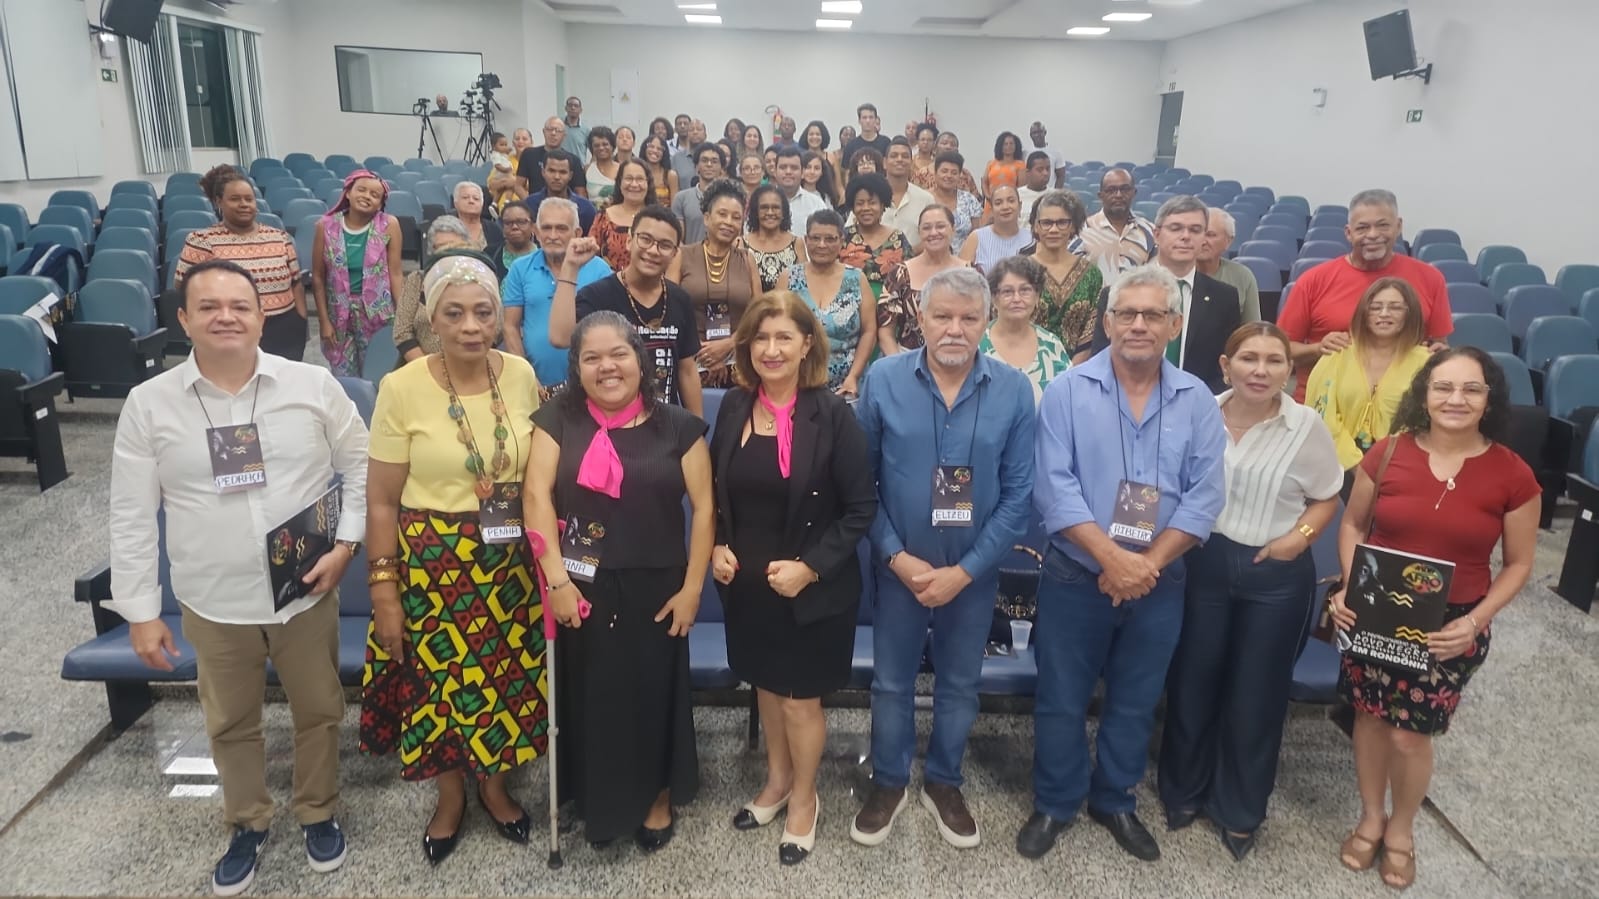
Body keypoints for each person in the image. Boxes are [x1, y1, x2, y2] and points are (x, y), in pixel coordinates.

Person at [111, 259, 367, 894]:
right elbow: (132, 512)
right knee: (229, 721)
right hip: (214, 597)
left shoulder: (312, 385)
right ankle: (248, 821)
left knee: (318, 708)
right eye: (209, 307)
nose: (225, 316)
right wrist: (141, 610)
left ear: (263, 315)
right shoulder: (150, 404)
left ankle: (317, 810)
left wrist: (346, 545)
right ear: (183, 319)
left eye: (240, 306)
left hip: (305, 589)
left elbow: (363, 467)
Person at [1021, 263, 1227, 863]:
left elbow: (1205, 496)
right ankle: (1056, 801)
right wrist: (1113, 559)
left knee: (1136, 698)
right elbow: (1053, 488)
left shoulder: (1198, 402)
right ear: (1107, 321)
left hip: (1160, 581)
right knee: (1061, 696)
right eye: (1127, 314)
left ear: (1174, 323)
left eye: (1152, 315)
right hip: (1075, 575)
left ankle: (1114, 800)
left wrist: (1145, 566)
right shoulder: (1066, 391)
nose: (1139, 325)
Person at [1327, 347, 1538, 891]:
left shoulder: (1513, 475)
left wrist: (1476, 623)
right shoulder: (1389, 453)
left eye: (1471, 389)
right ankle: (1371, 816)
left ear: (1489, 399)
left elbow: (1518, 565)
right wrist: (1350, 584)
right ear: (1424, 392)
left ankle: (1401, 829)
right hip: (1375, 609)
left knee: (1409, 736)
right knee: (1371, 719)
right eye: (1444, 387)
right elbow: (1352, 527)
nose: (1455, 399)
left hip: (1453, 625)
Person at [360, 255, 546, 866]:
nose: (471, 325)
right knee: (438, 688)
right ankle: (449, 797)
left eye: (483, 312)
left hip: (508, 566)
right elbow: (382, 500)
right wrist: (384, 592)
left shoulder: (519, 374)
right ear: (431, 319)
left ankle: (494, 787)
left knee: (503, 684)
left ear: (498, 316)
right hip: (432, 569)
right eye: (454, 313)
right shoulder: (401, 387)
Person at [852, 267, 1036, 851]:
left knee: (960, 684)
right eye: (942, 316)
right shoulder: (882, 380)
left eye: (968, 318)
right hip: (899, 567)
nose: (954, 329)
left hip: (972, 573)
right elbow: (862, 485)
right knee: (890, 684)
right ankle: (888, 781)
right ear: (921, 320)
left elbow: (1019, 496)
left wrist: (967, 570)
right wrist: (896, 558)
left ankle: (944, 782)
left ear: (986, 322)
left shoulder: (1013, 390)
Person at [523, 310, 713, 852]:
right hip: (580, 586)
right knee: (594, 696)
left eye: (618, 354)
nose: (607, 367)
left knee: (652, 695)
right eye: (591, 357)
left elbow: (703, 510)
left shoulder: (678, 424)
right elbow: (535, 496)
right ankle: (598, 797)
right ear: (576, 367)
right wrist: (556, 580)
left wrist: (693, 587)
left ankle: (656, 795)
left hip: (658, 588)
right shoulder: (558, 416)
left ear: (641, 359)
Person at [1157, 322, 1343, 862]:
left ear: (1290, 369)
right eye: (1249, 359)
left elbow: (1327, 499)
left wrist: (1297, 540)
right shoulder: (1198, 413)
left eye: (1274, 361)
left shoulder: (1304, 426)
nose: (1260, 371)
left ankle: (1240, 808)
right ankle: (1182, 791)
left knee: (1256, 693)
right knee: (1193, 680)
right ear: (1225, 364)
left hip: (1274, 573)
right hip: (1203, 561)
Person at [710, 292, 876, 866]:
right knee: (765, 688)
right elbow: (717, 493)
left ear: (808, 344)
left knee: (800, 702)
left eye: (785, 337)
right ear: (747, 345)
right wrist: (717, 546)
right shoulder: (733, 407)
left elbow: (860, 509)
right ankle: (777, 782)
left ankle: (805, 799)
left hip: (814, 590)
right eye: (761, 337)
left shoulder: (832, 414)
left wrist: (810, 567)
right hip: (749, 588)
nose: (772, 349)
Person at [1279, 189, 1452, 402]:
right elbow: (1282, 348)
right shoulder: (1313, 280)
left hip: (1403, 406)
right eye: (1362, 228)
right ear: (1348, 233)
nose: (1372, 235)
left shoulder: (1431, 278)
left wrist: (1439, 352)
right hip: (1323, 406)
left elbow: (1440, 344)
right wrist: (1318, 348)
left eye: (1382, 225)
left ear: (1398, 227)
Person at [553, 206, 705, 416]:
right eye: (645, 239)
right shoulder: (598, 295)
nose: (653, 250)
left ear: (674, 254)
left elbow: (687, 370)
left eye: (664, 245)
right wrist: (570, 266)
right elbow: (560, 338)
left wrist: (696, 429)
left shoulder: (680, 299)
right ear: (629, 241)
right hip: (607, 423)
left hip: (664, 426)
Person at [1090, 196, 1242, 394]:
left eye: (1195, 230)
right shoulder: (1118, 292)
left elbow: (1225, 367)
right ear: (1157, 234)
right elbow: (1102, 357)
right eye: (1176, 228)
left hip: (1194, 406)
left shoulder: (1224, 298)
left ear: (1204, 238)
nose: (1185, 236)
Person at [1305, 278, 1433, 486]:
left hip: (1403, 464)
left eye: (1395, 308)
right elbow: (1321, 415)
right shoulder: (1336, 353)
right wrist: (1356, 465)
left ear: (1409, 314)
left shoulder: (1427, 363)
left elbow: (1427, 419)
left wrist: (1387, 463)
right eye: (1375, 307)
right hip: (1335, 462)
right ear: (1364, 314)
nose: (1384, 314)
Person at [178, 164, 306, 361]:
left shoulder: (279, 237)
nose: (244, 204)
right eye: (235, 199)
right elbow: (184, 287)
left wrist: (301, 321)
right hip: (231, 326)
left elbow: (296, 283)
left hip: (283, 327)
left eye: (249, 199)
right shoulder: (202, 241)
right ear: (219, 202)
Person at [503, 197, 614, 394]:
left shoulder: (600, 270)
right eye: (546, 228)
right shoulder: (519, 269)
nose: (553, 235)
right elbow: (510, 327)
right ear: (536, 232)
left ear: (577, 233)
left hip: (590, 386)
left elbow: (610, 329)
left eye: (561, 228)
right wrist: (527, 376)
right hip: (537, 386)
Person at [667, 179, 761, 389]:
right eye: (722, 214)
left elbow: (758, 313)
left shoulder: (747, 259)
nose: (729, 222)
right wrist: (702, 351)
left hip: (739, 361)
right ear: (707, 218)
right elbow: (669, 309)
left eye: (736, 217)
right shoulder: (682, 255)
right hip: (690, 359)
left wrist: (729, 344)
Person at [312, 170, 404, 377]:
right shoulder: (325, 226)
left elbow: (396, 274)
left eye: (374, 195)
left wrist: (403, 315)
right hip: (339, 315)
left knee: (379, 372)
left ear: (380, 204)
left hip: (379, 313)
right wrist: (324, 322)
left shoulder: (389, 225)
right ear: (347, 193)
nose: (366, 196)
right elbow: (318, 278)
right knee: (343, 376)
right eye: (361, 190)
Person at [787, 209, 874, 397]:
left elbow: (869, 332)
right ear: (806, 239)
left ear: (842, 241)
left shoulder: (857, 279)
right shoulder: (789, 278)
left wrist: (853, 377)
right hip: (797, 383)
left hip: (848, 385)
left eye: (830, 239)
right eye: (815, 238)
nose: (822, 245)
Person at [1020, 191, 1102, 362]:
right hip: (1025, 366)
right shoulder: (1017, 271)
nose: (1054, 229)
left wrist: (1069, 373)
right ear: (1036, 226)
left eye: (1062, 222)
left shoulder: (1091, 274)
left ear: (1073, 226)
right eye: (1047, 223)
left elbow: (1090, 331)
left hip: (1076, 370)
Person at [877, 205, 971, 355]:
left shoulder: (971, 274)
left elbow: (982, 323)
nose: (933, 233)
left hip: (959, 357)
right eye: (927, 228)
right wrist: (899, 367)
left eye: (940, 226)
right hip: (908, 359)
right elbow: (885, 331)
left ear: (953, 229)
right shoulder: (899, 274)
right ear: (919, 232)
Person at [979, 255, 1070, 405]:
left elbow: (1068, 398)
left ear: (1037, 296)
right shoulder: (977, 344)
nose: (1017, 299)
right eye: (1007, 292)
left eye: (1025, 290)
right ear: (994, 298)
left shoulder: (1052, 345)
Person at [394, 216, 470, 363]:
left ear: (465, 247)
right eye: (440, 246)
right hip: (420, 366)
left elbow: (495, 328)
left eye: (453, 246)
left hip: (470, 365)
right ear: (431, 250)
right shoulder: (416, 280)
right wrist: (429, 370)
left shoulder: (479, 278)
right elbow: (402, 332)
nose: (446, 251)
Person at [1070, 168, 1156, 283]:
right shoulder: (1082, 229)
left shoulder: (1150, 231)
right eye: (1111, 190)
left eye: (1125, 189)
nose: (1118, 195)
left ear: (1134, 193)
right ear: (1100, 195)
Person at [840, 173, 912, 301]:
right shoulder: (842, 237)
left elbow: (909, 277)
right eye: (860, 203)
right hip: (848, 308)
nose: (866, 208)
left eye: (872, 203)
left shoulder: (898, 238)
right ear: (853, 207)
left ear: (883, 205)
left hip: (890, 310)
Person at [867, 139, 935, 252]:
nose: (899, 160)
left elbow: (933, 235)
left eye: (905, 156)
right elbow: (851, 231)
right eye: (894, 156)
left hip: (913, 265)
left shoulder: (926, 199)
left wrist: (909, 254)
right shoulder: (867, 195)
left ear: (911, 163)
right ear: (884, 162)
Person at [1196, 208, 1262, 323]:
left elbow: (1251, 330)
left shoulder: (1243, 277)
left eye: (1210, 235)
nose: (1203, 241)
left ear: (1228, 241)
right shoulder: (1174, 273)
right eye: (1197, 233)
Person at [589, 158, 653, 272]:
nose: (634, 184)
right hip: (609, 285)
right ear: (619, 183)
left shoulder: (659, 219)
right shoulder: (603, 218)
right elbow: (590, 257)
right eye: (628, 178)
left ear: (648, 183)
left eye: (640, 179)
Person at [744, 184, 808, 292]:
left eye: (775, 207)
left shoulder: (797, 243)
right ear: (756, 211)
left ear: (784, 211)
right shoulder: (741, 244)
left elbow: (803, 287)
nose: (770, 212)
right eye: (764, 207)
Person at [959, 184, 1031, 274]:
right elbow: (960, 277)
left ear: (1020, 206)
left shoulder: (1031, 239)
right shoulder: (976, 237)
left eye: (1011, 201)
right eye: (998, 203)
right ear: (992, 209)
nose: (1005, 207)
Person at [526, 149, 597, 238]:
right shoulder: (529, 205)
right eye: (551, 171)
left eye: (562, 172)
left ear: (570, 175)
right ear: (543, 172)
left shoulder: (585, 208)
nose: (557, 177)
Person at [672, 142, 729, 246]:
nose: (709, 164)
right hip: (690, 258)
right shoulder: (681, 198)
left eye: (714, 161)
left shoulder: (730, 200)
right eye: (704, 160)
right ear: (696, 166)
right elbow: (677, 238)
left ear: (721, 168)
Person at [929, 151, 985, 253]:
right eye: (944, 171)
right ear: (935, 173)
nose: (949, 176)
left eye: (954, 172)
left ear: (959, 176)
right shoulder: (924, 198)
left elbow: (976, 234)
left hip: (964, 260)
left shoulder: (969, 199)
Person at [519, 117, 589, 197]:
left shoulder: (574, 160)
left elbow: (580, 191)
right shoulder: (529, 154)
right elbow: (518, 185)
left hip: (565, 206)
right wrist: (531, 204)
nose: (553, 133)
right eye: (549, 129)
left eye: (558, 130)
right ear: (544, 132)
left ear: (564, 135)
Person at [771, 145, 826, 238]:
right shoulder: (762, 202)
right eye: (783, 167)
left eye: (794, 168)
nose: (788, 171)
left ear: (802, 172)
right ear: (775, 172)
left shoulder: (816, 204)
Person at [485, 199, 537, 278]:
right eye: (508, 223)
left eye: (521, 222)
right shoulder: (490, 254)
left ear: (533, 226)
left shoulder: (546, 256)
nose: (514, 227)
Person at [921, 131, 981, 198]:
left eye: (952, 145)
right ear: (935, 149)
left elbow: (976, 198)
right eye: (944, 143)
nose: (948, 147)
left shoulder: (965, 174)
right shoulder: (922, 174)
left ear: (957, 151)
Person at [487, 127, 534, 212]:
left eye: (524, 139)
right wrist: (508, 182)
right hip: (504, 211)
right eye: (517, 139)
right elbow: (491, 184)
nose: (520, 141)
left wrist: (514, 182)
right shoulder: (505, 160)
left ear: (531, 142)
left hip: (527, 208)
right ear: (513, 143)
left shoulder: (535, 160)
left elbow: (536, 186)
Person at [451, 182, 501, 251]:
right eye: (465, 197)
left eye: (476, 199)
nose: (471, 201)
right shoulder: (446, 228)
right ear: (455, 203)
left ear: (482, 204)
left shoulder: (493, 229)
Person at [981, 132, 1026, 207]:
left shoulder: (1020, 165)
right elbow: (984, 182)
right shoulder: (991, 163)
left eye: (1011, 143)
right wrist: (988, 197)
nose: (1009, 146)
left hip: (1009, 204)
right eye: (1005, 144)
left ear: (1016, 146)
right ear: (1000, 146)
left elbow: (1021, 189)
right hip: (991, 203)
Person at [639, 135, 679, 207]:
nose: (655, 151)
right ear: (644, 149)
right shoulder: (637, 173)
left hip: (664, 216)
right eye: (651, 146)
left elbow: (674, 207)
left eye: (659, 149)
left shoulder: (670, 175)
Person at [585, 126, 620, 204]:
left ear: (612, 146)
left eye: (605, 144)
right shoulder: (587, 169)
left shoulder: (622, 169)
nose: (601, 148)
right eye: (596, 145)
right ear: (591, 148)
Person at [1027, 121, 1067, 188]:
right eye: (1034, 133)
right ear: (1031, 135)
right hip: (1031, 193)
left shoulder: (1056, 152)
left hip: (1050, 194)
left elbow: (1061, 176)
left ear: (1045, 132)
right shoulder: (1026, 152)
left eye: (1040, 132)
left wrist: (1055, 194)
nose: (1037, 135)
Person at [1016, 152, 1053, 223]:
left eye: (1048, 169)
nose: (1045, 173)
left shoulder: (1056, 196)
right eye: (1040, 170)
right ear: (1028, 172)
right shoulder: (1016, 196)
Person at [561, 96, 589, 162]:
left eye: (576, 106)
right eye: (570, 105)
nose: (573, 108)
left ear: (581, 110)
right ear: (566, 108)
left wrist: (590, 166)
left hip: (579, 168)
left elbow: (594, 151)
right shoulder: (559, 125)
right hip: (560, 166)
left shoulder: (586, 130)